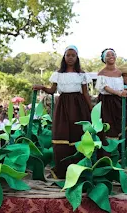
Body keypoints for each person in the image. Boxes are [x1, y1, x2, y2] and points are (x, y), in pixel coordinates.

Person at [33, 45, 92, 179]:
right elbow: (52, 91)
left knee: (78, 134)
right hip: (63, 107)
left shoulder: (82, 75)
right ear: (64, 57)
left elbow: (85, 93)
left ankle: (78, 169)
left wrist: (90, 108)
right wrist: (41, 87)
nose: (70, 58)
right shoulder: (58, 74)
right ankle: (62, 169)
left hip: (78, 106)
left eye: (73, 55)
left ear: (77, 58)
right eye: (68, 55)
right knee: (62, 134)